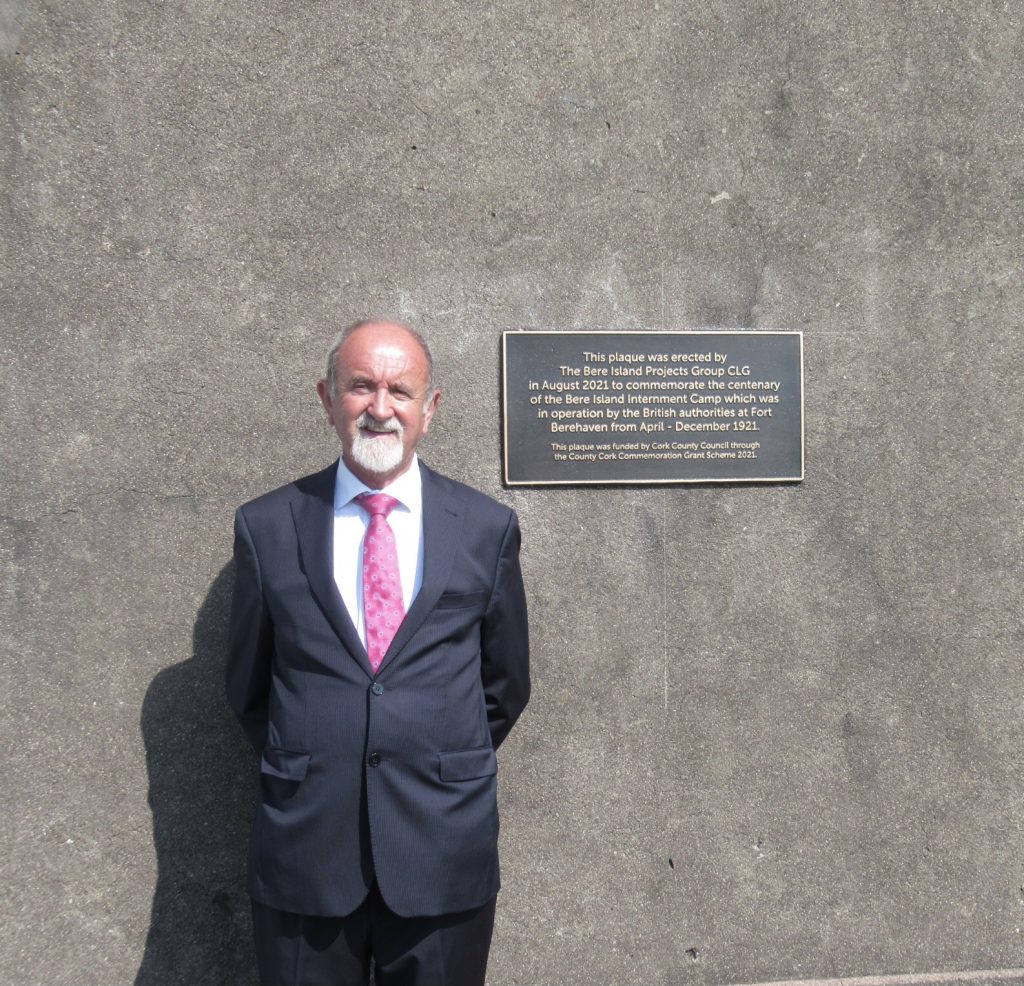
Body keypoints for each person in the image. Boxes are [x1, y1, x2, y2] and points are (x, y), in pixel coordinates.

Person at [226, 319, 530, 986]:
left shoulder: (486, 529)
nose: (380, 406)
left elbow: (504, 687)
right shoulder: (267, 526)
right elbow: (249, 689)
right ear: (327, 398)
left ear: (431, 407)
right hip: (306, 854)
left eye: (400, 389)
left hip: (442, 849)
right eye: (361, 386)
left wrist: (429, 753)